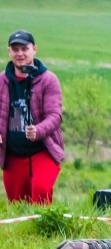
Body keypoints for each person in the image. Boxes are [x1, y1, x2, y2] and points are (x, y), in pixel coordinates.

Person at [0, 30, 64, 204]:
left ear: (34, 49)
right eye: (15, 49)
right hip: (12, 154)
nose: (20, 53)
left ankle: (46, 230)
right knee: (17, 204)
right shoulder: (2, 81)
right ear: (9, 51)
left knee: (41, 191)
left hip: (42, 150)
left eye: (24, 48)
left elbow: (55, 116)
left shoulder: (48, 80)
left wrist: (38, 130)